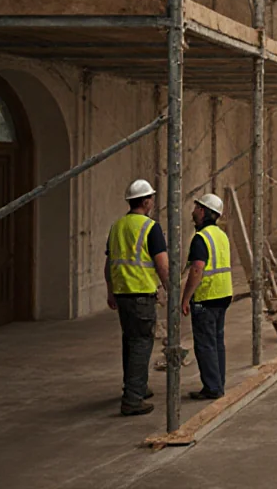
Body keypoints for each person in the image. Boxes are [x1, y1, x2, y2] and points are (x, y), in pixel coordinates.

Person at [106, 178, 170, 416]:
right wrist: (170, 289)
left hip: (123, 294)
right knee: (142, 343)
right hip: (141, 294)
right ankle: (133, 398)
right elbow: (162, 264)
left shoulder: (117, 227)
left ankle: (136, 387)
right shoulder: (150, 227)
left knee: (130, 341)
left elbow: (108, 263)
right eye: (151, 198)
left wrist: (110, 291)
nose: (152, 202)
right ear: (145, 201)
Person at [179, 193, 232, 400]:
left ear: (203, 211)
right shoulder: (221, 235)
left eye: (196, 208)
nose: (193, 212)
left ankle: (212, 387)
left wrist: (185, 298)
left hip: (206, 298)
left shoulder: (200, 238)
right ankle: (218, 383)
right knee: (217, 341)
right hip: (223, 295)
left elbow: (196, 270)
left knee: (205, 343)